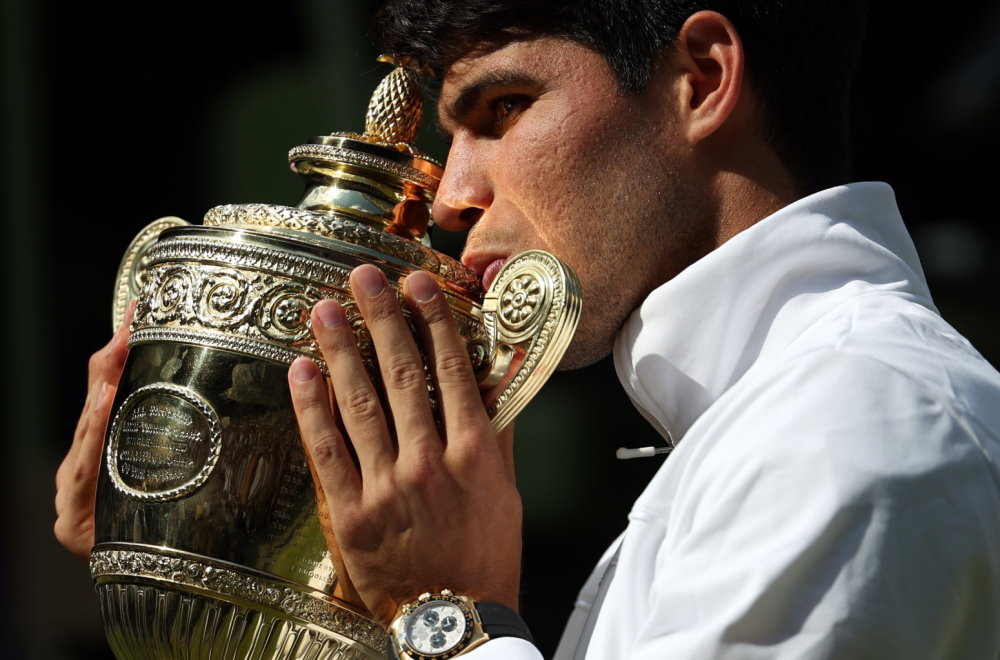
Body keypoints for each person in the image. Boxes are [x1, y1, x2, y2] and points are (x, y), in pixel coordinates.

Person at [56, 0, 1000, 657]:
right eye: (451, 134)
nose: (453, 197)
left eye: (504, 109)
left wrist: (448, 613)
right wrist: (238, 578)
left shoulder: (853, 425)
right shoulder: (771, 423)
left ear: (703, 78)